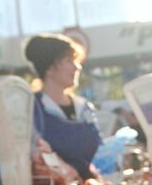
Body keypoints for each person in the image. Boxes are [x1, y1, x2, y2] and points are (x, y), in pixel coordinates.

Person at [25, 33, 102, 175]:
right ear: (49, 67)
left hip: (90, 184)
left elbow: (97, 152)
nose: (77, 67)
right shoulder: (32, 109)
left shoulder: (84, 107)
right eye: (69, 61)